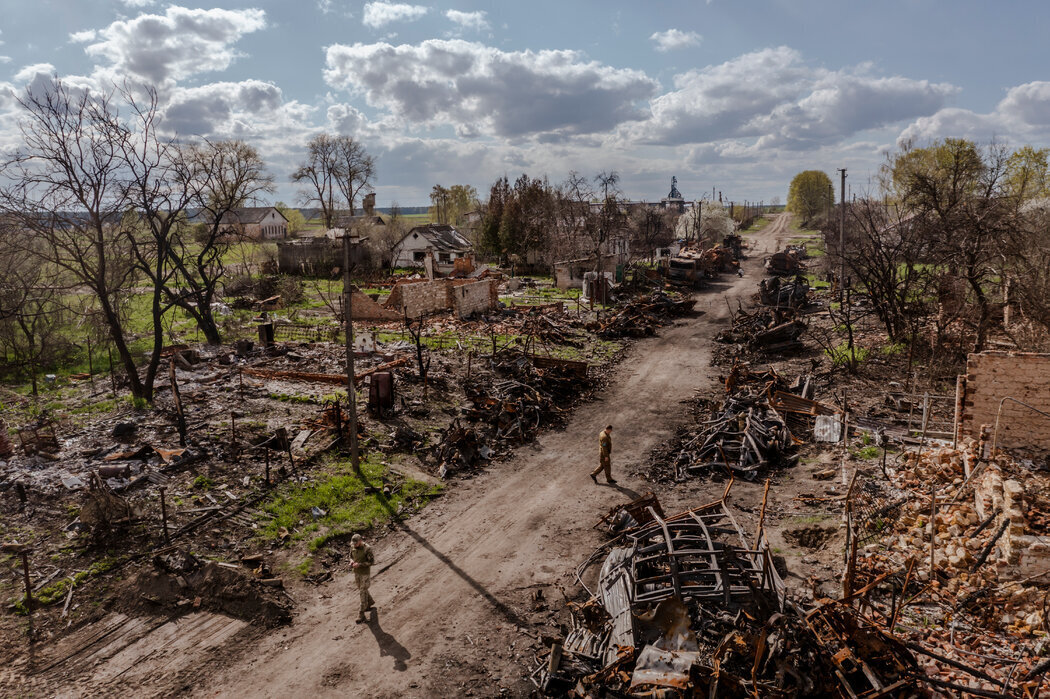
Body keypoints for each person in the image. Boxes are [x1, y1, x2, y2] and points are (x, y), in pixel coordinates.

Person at [350, 533, 375, 623]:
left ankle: (361, 614)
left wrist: (360, 564)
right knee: (361, 588)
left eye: (356, 543)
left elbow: (371, 562)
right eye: (353, 544)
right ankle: (370, 602)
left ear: (360, 541)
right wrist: (352, 562)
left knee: (362, 592)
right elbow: (351, 556)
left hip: (364, 573)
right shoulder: (353, 546)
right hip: (357, 573)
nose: (354, 545)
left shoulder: (367, 548)